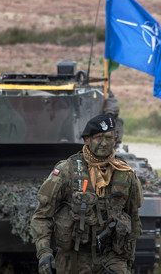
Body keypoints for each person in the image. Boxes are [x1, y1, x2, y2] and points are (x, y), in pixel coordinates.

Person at [31, 114, 143, 274]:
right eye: (98, 138)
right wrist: (44, 252)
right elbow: (42, 216)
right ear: (86, 140)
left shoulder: (125, 173)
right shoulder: (67, 171)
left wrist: (129, 259)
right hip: (74, 258)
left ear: (115, 140)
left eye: (109, 137)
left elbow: (134, 217)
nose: (104, 143)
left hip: (112, 257)